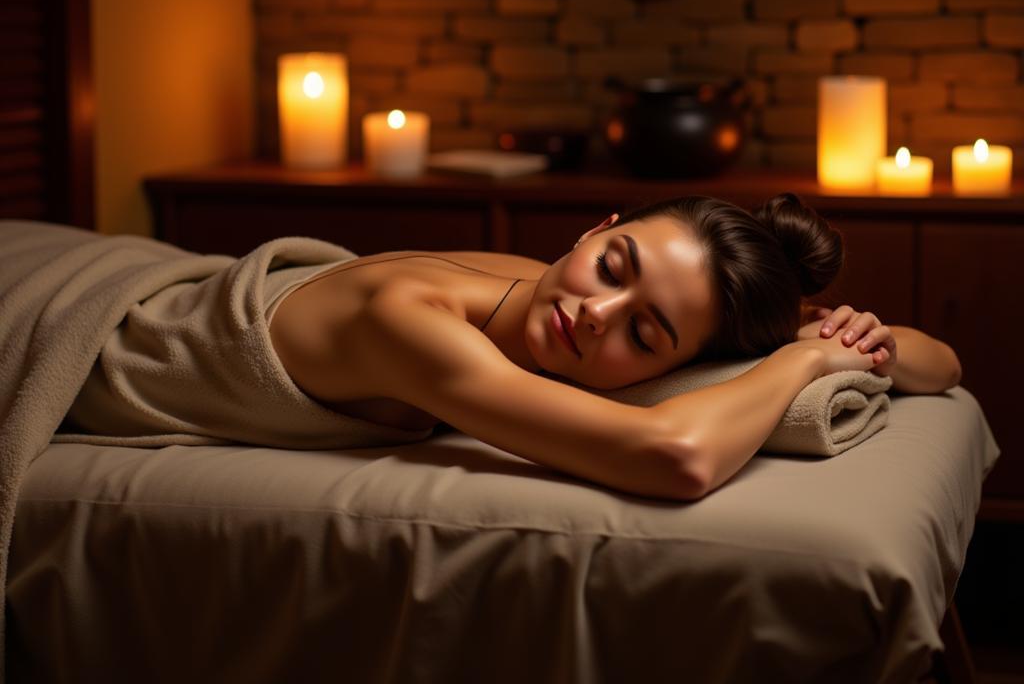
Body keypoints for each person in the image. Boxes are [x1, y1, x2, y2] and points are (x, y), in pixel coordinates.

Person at [268, 192, 962, 502]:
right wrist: (805, 359)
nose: (596, 314)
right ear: (594, 231)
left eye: (644, 332)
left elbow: (941, 364)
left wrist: (872, 340)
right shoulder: (409, 323)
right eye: (611, 266)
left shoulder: (551, 298)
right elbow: (678, 459)